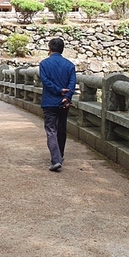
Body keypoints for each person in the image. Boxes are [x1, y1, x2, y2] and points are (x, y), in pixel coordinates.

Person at [39, 37, 76, 171]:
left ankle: (56, 159)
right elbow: (72, 83)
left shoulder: (44, 64)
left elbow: (45, 81)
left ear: (50, 48)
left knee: (51, 130)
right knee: (62, 129)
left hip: (49, 101)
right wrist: (67, 96)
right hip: (64, 103)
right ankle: (60, 155)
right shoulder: (70, 65)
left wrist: (58, 90)